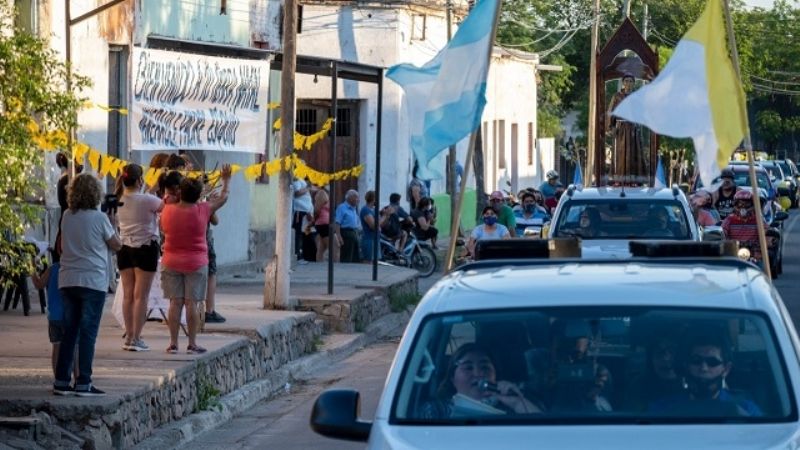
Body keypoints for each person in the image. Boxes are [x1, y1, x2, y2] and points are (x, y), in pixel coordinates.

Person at [54, 173, 122, 397]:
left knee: (69, 332)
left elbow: (63, 246)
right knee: (88, 333)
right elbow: (116, 245)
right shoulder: (100, 218)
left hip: (68, 279)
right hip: (92, 280)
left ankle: (62, 381)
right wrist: (114, 225)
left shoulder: (66, 216)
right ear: (95, 193)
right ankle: (84, 381)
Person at [161, 164, 232, 355]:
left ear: (179, 192)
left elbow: (166, 192)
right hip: (196, 262)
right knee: (192, 303)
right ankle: (192, 343)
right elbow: (224, 198)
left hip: (171, 261)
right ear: (198, 195)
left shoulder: (167, 208)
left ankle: (173, 343)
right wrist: (226, 180)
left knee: (174, 303)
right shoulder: (203, 210)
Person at [650, 333, 762, 417]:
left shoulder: (746, 410)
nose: (703, 368)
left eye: (712, 362)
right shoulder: (662, 409)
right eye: (696, 361)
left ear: (726, 369)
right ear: (687, 366)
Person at [419, 343, 542, 418]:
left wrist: (516, 403)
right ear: (452, 379)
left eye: (485, 367)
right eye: (468, 368)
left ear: (495, 376)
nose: (478, 374)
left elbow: (546, 435)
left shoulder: (515, 405)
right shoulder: (436, 410)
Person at [116, 164, 164, 352]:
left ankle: (129, 335)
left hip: (124, 248)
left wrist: (148, 190)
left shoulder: (119, 199)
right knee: (141, 296)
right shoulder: (148, 200)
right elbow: (163, 206)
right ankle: (137, 337)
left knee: (128, 295)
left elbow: (140, 199)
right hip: (145, 248)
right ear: (139, 180)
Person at [625, 337, 685, 411]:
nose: (666, 358)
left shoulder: (692, 383)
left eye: (672, 352)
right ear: (651, 359)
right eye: (660, 353)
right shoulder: (639, 385)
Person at [607, 73, 645, 179]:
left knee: (633, 153)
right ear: (623, 83)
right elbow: (611, 111)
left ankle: (633, 178)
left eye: (631, 81)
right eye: (626, 81)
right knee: (620, 153)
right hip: (621, 128)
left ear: (634, 83)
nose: (628, 83)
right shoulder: (617, 96)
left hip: (633, 128)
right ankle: (618, 178)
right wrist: (610, 127)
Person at [722, 190, 767, 262]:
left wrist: (760, 243)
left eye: (747, 204)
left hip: (754, 251)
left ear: (752, 205)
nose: (743, 207)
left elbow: (765, 232)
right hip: (734, 251)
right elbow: (722, 233)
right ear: (735, 205)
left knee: (761, 262)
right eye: (740, 204)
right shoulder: (729, 219)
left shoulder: (758, 219)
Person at [334, 190, 362, 263]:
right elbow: (337, 223)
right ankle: (345, 272)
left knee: (355, 257)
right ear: (350, 198)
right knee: (347, 257)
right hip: (346, 233)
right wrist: (339, 236)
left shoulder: (354, 208)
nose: (358, 200)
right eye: (356, 197)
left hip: (354, 233)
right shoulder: (342, 207)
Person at [360, 191, 389, 262]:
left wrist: (387, 216)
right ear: (373, 199)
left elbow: (381, 225)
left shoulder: (373, 210)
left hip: (376, 239)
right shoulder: (365, 210)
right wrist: (384, 216)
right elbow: (373, 226)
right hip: (369, 240)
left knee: (375, 262)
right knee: (368, 262)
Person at [292, 178, 314, 262]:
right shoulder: (296, 180)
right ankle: (297, 255)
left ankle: (304, 255)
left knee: (306, 234)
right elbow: (297, 193)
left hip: (306, 212)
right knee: (298, 234)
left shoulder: (301, 180)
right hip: (299, 211)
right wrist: (308, 188)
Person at [313, 188, 334, 262]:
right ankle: (330, 261)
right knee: (331, 245)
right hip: (324, 224)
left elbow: (316, 213)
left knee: (322, 246)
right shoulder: (325, 201)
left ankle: (319, 262)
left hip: (321, 224)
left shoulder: (319, 204)